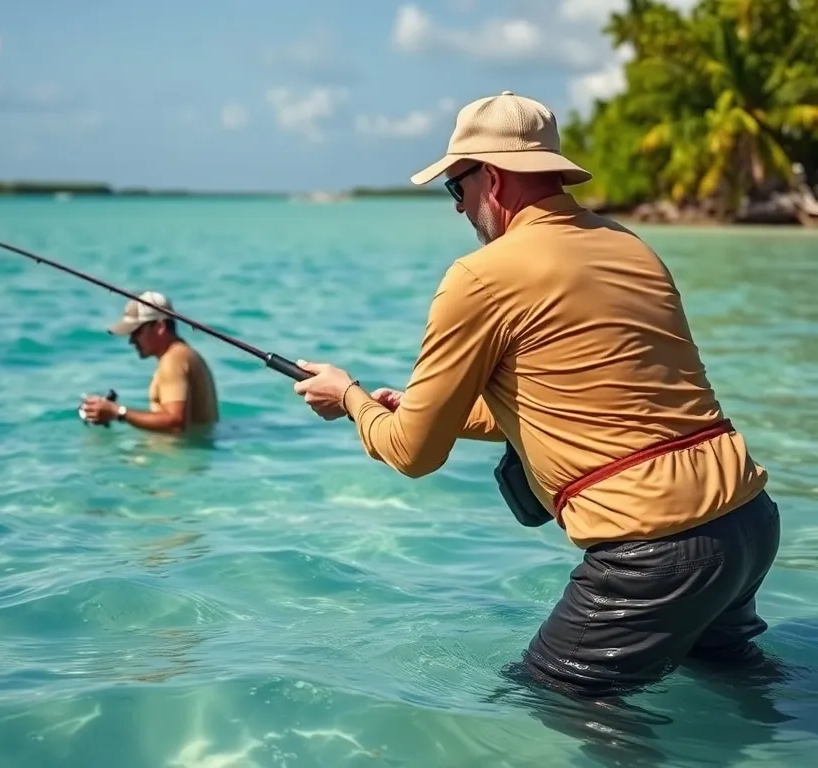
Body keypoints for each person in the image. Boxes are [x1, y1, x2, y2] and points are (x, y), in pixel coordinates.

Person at [292, 90, 780, 699]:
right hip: (749, 520)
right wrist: (417, 409)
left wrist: (351, 400)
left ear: (491, 178)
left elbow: (413, 455)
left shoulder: (480, 276)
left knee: (551, 702)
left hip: (655, 551)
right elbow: (584, 404)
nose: (459, 210)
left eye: (456, 189)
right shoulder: (629, 245)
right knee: (740, 691)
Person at [81, 290, 219, 434]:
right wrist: (112, 412)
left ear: (160, 327)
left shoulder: (173, 360)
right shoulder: (183, 354)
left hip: (178, 455)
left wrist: (117, 412)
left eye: (136, 332)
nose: (131, 340)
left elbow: (175, 422)